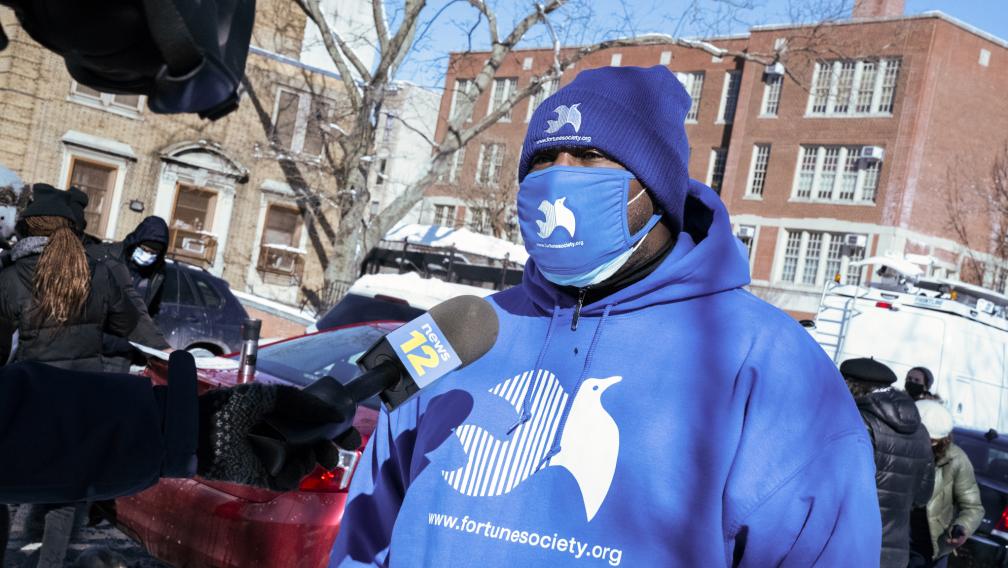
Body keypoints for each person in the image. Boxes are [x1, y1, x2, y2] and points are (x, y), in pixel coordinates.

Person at [330, 66, 880, 567]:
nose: (558, 176)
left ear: (655, 186)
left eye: (590, 155)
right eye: (543, 160)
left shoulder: (770, 365)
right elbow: (368, 523)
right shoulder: (460, 329)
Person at [840, 357, 935, 567]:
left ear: (850, 386)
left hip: (850, 545)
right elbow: (922, 496)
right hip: (894, 552)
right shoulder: (921, 431)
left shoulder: (857, 422)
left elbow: (835, 488)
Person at [91, 215, 173, 372]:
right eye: (144, 249)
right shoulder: (111, 258)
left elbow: (150, 313)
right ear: (135, 243)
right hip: (94, 345)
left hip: (123, 351)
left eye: (153, 252)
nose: (147, 255)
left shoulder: (156, 275)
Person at [910, 400, 984, 567]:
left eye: (932, 441)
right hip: (893, 540)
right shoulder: (899, 448)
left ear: (941, 440)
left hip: (931, 548)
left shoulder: (957, 460)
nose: (924, 445)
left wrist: (962, 527)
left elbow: (973, 507)